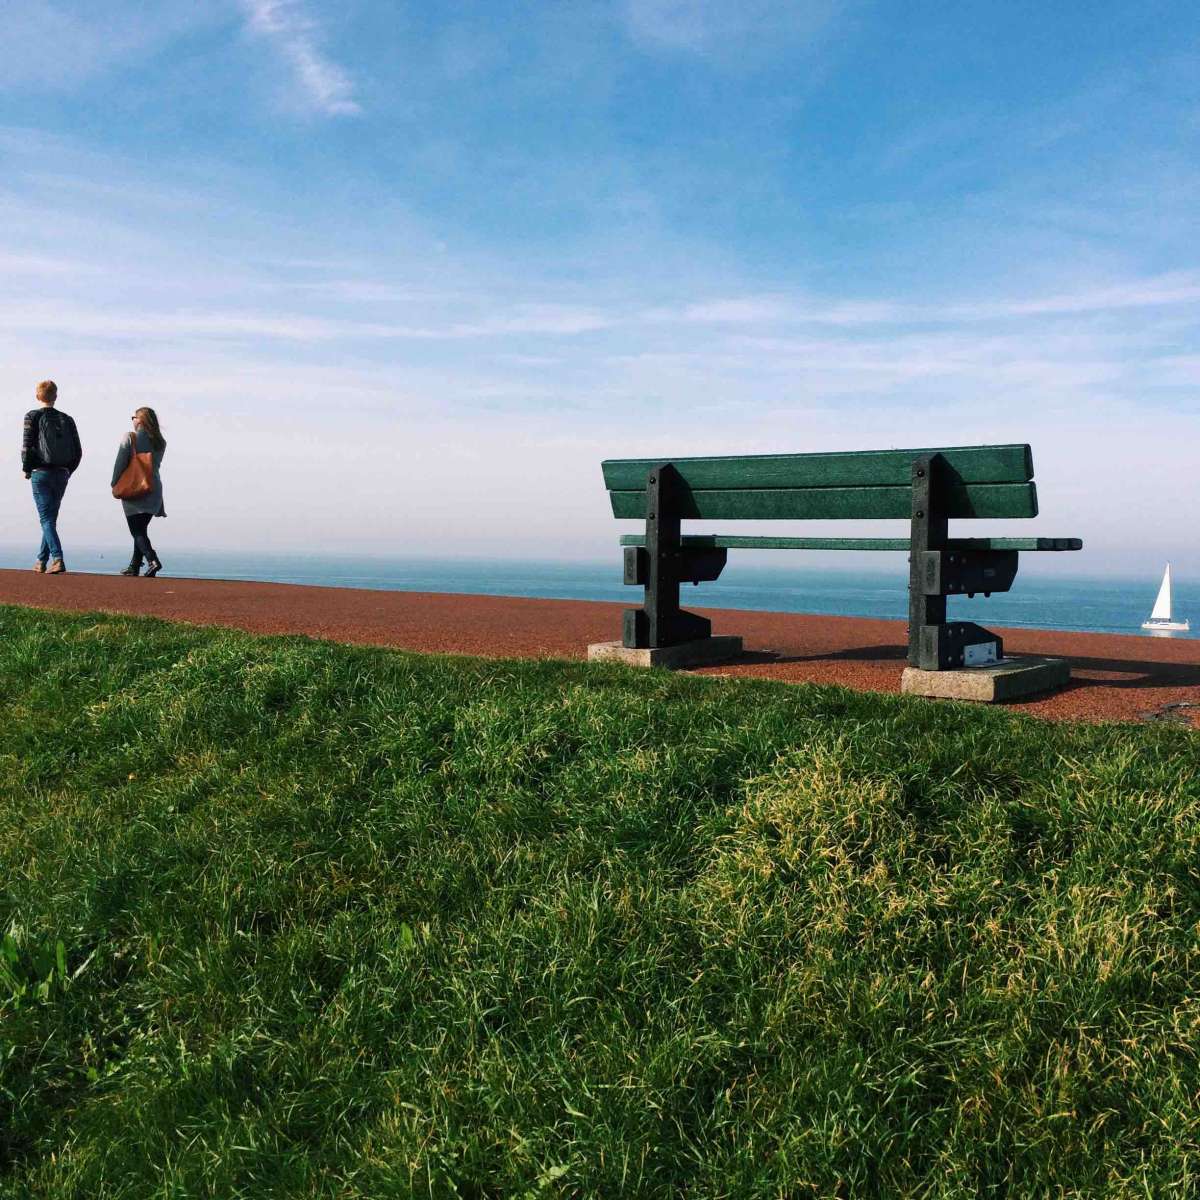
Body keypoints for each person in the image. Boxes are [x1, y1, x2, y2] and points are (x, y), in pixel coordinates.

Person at [22, 380, 83, 574]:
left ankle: (57, 558)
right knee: (50, 518)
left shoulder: (32, 416)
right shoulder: (68, 419)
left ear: (37, 395)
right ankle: (41, 561)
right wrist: (68, 471)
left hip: (40, 473)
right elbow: (78, 451)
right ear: (55, 396)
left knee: (46, 518)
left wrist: (26, 469)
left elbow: (27, 446)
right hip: (62, 474)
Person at [111, 407, 167, 577]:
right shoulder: (160, 442)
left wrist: (114, 483)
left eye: (134, 417)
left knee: (137, 531)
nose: (133, 420)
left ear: (140, 420)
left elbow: (120, 462)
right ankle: (134, 565)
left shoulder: (130, 437)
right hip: (153, 489)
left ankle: (152, 560)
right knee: (141, 529)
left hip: (135, 489)